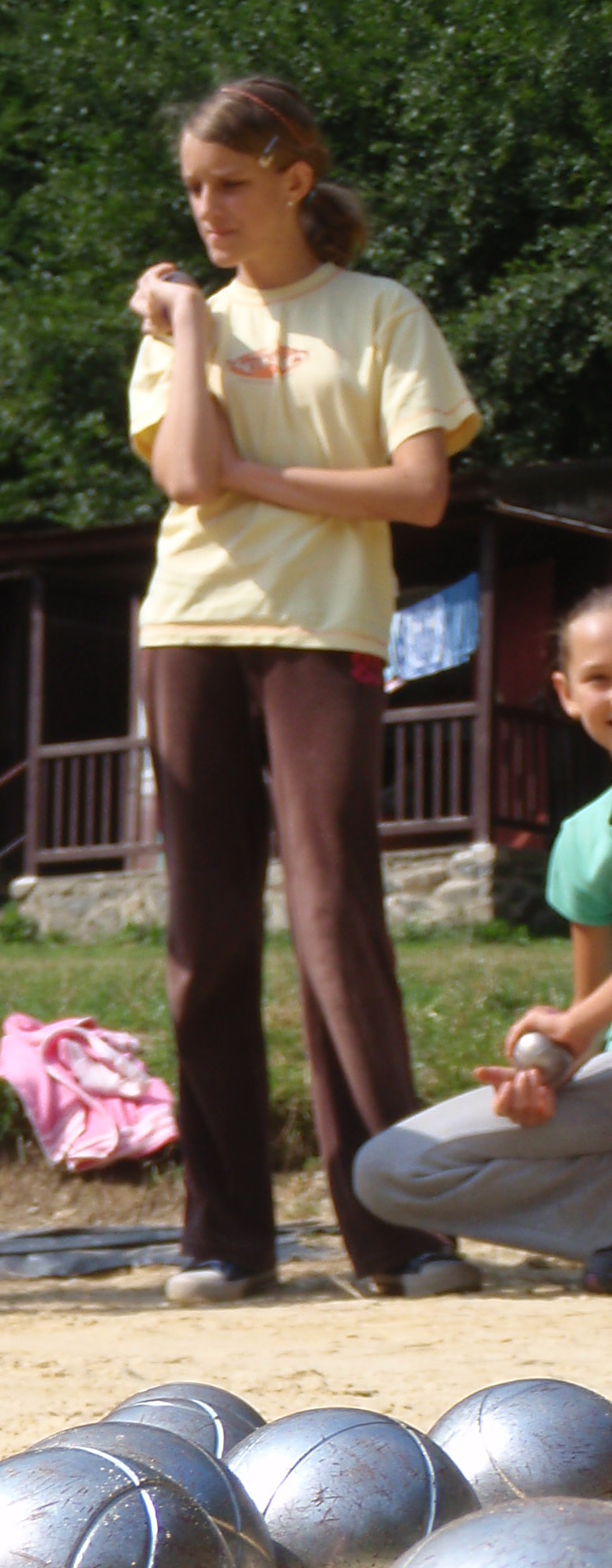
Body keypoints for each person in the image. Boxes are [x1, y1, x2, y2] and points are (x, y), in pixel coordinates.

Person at [128, 76, 483, 1304]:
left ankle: (401, 1228)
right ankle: (225, 1235)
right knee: (206, 933)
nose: (208, 208)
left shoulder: (380, 310)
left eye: (230, 183)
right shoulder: (179, 321)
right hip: (190, 626)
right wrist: (186, 326)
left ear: (293, 179)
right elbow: (188, 475)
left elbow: (420, 491)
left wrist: (258, 473)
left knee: (338, 918)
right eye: (193, 188)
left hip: (328, 628)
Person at [356, 588, 612, 1289]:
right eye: (599, 678)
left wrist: (574, 1026)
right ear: (565, 694)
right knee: (392, 1169)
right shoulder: (583, 839)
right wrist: (549, 1072)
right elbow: (591, 1016)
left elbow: (582, 1018)